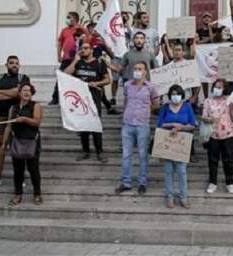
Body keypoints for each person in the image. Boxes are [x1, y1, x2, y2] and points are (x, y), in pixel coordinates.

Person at [0, 55, 30, 189]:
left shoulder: (23, 78)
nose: (14, 65)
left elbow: (20, 93)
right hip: (0, 117)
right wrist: (11, 92)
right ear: (6, 65)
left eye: (16, 63)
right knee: (0, 147)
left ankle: (20, 178)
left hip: (17, 117)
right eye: (11, 63)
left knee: (18, 150)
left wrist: (1, 92)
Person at [64, 41, 111, 163]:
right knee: (83, 125)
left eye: (86, 48)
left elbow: (108, 80)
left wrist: (97, 83)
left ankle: (99, 152)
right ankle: (85, 150)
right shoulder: (78, 63)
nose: (83, 50)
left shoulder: (99, 63)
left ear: (91, 50)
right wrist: (75, 60)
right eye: (81, 48)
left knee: (95, 125)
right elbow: (65, 74)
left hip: (94, 98)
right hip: (80, 99)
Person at [116, 62, 160, 194]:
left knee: (142, 156)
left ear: (145, 71)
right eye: (135, 68)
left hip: (142, 125)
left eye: (140, 69)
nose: (137, 71)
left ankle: (142, 182)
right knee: (126, 155)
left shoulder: (151, 87)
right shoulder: (127, 85)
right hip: (127, 124)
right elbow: (125, 102)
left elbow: (156, 104)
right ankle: (126, 182)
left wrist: (146, 111)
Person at [157, 85, 197, 208]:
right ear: (169, 96)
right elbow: (160, 124)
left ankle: (183, 197)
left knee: (182, 171)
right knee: (168, 171)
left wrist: (180, 127)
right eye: (173, 94)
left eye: (178, 94)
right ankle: (169, 197)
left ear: (182, 95)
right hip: (168, 142)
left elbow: (192, 125)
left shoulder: (187, 107)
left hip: (182, 144)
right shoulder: (164, 107)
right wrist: (172, 125)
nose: (175, 96)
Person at [4, 83, 43, 205]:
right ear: (19, 93)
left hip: (32, 141)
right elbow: (8, 126)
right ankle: (18, 194)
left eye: (29, 91)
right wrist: (3, 143)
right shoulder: (13, 108)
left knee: (33, 169)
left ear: (32, 93)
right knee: (18, 170)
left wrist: (24, 119)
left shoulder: (36, 105)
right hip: (17, 141)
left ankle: (37, 194)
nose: (27, 92)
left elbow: (37, 122)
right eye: (24, 90)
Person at [202, 79, 233, 194]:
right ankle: (212, 182)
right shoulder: (207, 101)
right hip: (212, 135)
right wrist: (210, 119)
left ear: (224, 89)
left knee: (228, 160)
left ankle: (230, 182)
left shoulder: (229, 101)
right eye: (216, 87)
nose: (217, 89)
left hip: (228, 134)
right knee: (212, 160)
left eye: (220, 87)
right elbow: (203, 117)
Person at [50, 11, 86, 105]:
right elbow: (60, 43)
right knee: (61, 77)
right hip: (66, 58)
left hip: (78, 58)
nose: (67, 19)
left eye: (69, 17)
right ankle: (55, 98)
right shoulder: (64, 30)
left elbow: (87, 41)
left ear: (74, 19)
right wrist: (59, 55)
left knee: (79, 78)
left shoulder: (81, 29)